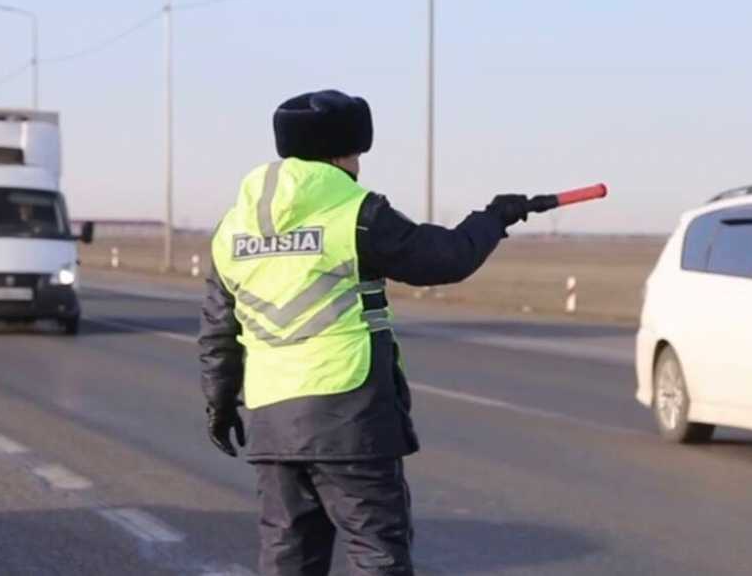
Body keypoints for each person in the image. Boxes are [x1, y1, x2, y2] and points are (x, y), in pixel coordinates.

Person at [198, 89, 531, 576]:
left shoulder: (233, 229)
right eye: (356, 153)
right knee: (376, 552)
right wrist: (492, 219)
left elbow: (218, 332)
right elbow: (446, 257)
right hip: (348, 415)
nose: (358, 164)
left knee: (288, 557)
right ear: (342, 154)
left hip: (271, 418)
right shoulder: (355, 214)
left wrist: (220, 406)